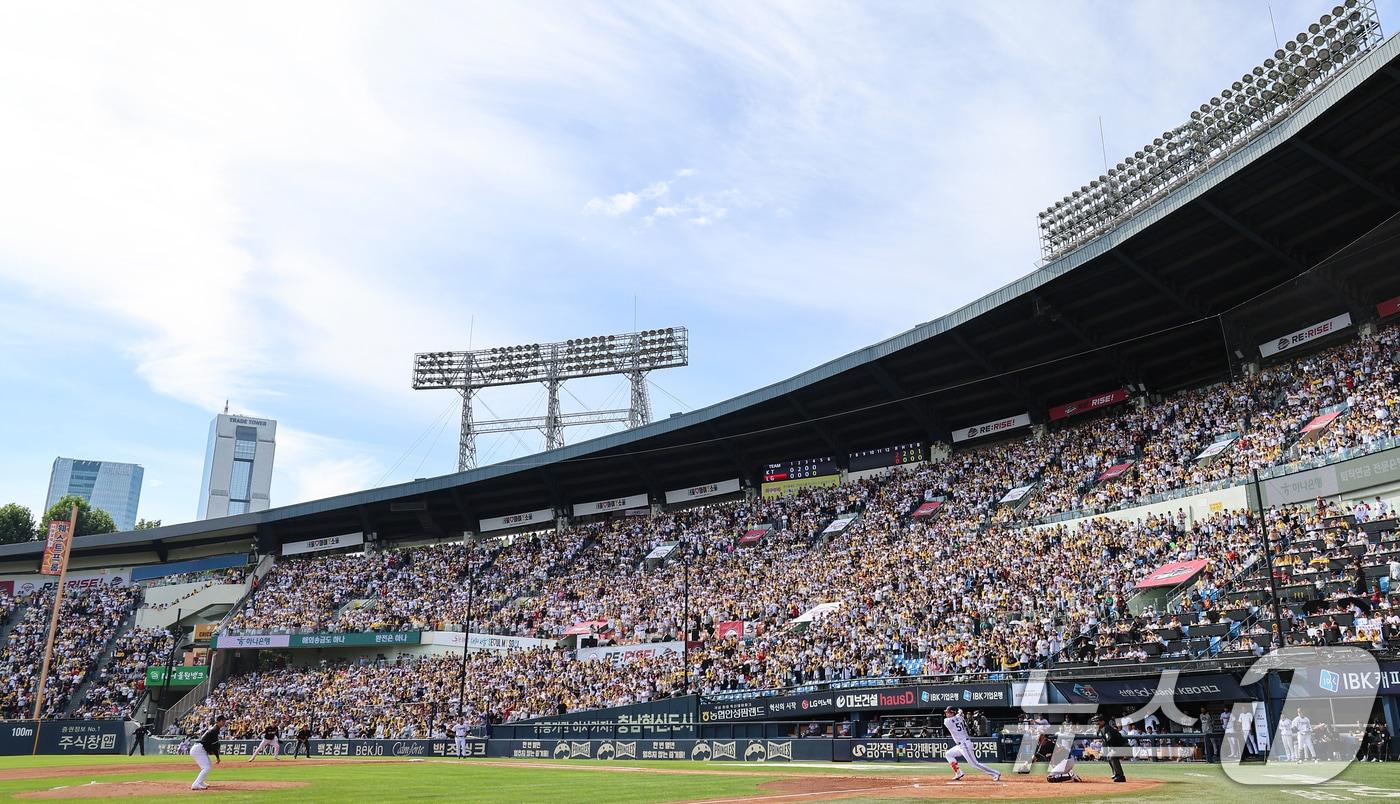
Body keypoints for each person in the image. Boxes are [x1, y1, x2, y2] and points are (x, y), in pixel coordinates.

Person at [943, 707, 1001, 782]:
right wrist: (959, 712)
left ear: (952, 712)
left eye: (948, 712)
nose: (946, 714)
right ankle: (959, 773)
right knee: (948, 754)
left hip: (964, 744)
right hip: (960, 745)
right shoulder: (960, 717)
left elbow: (956, 716)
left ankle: (995, 773)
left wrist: (959, 713)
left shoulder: (947, 721)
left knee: (974, 764)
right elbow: (960, 714)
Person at [191, 715, 224, 791]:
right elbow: (215, 746)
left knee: (208, 765)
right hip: (198, 749)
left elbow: (212, 745)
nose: (224, 723)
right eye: (223, 721)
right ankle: (195, 784)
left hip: (199, 748)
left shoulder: (215, 729)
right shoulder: (215, 730)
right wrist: (217, 757)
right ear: (218, 721)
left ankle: (201, 782)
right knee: (206, 767)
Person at [1096, 715, 1127, 783]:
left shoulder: (1107, 728)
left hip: (1124, 747)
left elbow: (1111, 740)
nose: (1096, 723)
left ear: (1103, 722)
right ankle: (1116, 774)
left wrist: (1113, 750)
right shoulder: (1102, 729)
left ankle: (1120, 776)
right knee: (1109, 755)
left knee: (1112, 756)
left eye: (1097, 721)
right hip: (1119, 747)